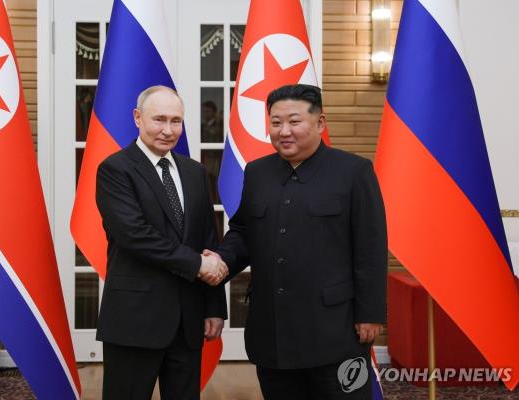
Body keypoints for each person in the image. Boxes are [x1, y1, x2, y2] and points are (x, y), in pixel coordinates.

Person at [208, 84, 387, 399]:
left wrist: (370, 313)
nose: (283, 131)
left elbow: (370, 248)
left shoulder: (354, 172)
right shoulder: (257, 172)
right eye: (276, 123)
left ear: (320, 123)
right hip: (273, 333)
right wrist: (221, 261)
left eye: (294, 121)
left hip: (336, 332)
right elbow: (243, 233)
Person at [96, 85, 228, 400]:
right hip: (135, 319)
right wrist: (198, 264)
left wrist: (214, 307)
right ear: (137, 118)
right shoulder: (115, 170)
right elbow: (135, 235)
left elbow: (208, 239)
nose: (169, 131)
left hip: (188, 320)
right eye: (159, 120)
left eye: (176, 121)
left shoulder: (194, 172)